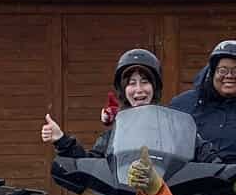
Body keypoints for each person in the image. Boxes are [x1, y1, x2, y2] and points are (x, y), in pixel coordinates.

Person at [39, 48, 219, 162]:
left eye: (145, 81)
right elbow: (89, 163)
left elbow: (206, 156)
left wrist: (223, 171)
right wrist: (61, 140)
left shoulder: (174, 126)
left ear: (154, 87)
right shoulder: (117, 132)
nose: (138, 89)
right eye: (131, 83)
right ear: (124, 90)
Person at [167, 39, 236, 164]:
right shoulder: (182, 104)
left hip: (233, 182)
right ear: (212, 73)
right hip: (184, 180)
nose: (229, 76)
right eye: (222, 70)